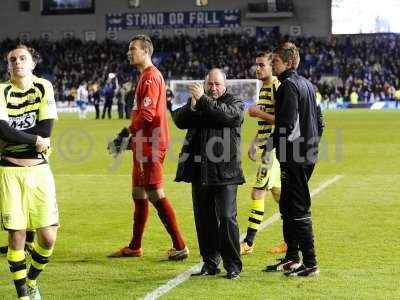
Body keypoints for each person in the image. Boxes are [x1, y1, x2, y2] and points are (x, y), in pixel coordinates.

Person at [108, 35, 188, 260]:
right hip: (143, 143)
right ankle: (135, 246)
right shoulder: (145, 76)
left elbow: (147, 113)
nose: (129, 52)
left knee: (154, 193)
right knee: (138, 193)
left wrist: (127, 133)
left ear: (146, 51)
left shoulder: (151, 77)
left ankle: (180, 246)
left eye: (133, 48)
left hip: (151, 144)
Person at [169, 68, 244, 280]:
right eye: (209, 84)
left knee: (227, 218)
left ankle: (233, 265)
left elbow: (228, 116)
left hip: (226, 172)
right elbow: (179, 121)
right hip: (200, 171)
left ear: (225, 85)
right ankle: (210, 263)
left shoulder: (234, 102)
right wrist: (193, 105)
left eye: (217, 84)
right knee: (204, 219)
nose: (213, 88)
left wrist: (202, 101)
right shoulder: (199, 102)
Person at [0, 44, 59, 299]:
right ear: (8, 65)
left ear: (32, 63)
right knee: (17, 236)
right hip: (10, 170)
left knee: (47, 238)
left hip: (39, 171)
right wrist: (33, 140)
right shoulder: (1, 91)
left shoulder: (43, 86)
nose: (17, 62)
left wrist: (14, 137)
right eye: (12, 59)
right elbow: (2, 131)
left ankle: (33, 280)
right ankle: (23, 294)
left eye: (22, 58)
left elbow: (46, 130)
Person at [263, 42, 324, 276]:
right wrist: (311, 145)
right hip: (306, 154)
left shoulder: (287, 86)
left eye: (275, 61)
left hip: (294, 156)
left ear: (287, 62)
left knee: (297, 208)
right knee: (288, 205)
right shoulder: (308, 84)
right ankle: (292, 258)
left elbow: (285, 125)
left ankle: (310, 263)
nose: (272, 65)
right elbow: (320, 122)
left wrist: (269, 146)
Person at [240, 52, 287, 255]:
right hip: (266, 148)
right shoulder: (264, 89)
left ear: (272, 66)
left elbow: (283, 120)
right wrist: (253, 143)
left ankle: (248, 242)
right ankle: (291, 241)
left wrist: (258, 113)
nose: (257, 69)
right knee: (282, 198)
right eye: (256, 65)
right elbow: (265, 125)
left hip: (273, 150)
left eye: (261, 65)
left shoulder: (277, 87)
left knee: (257, 192)